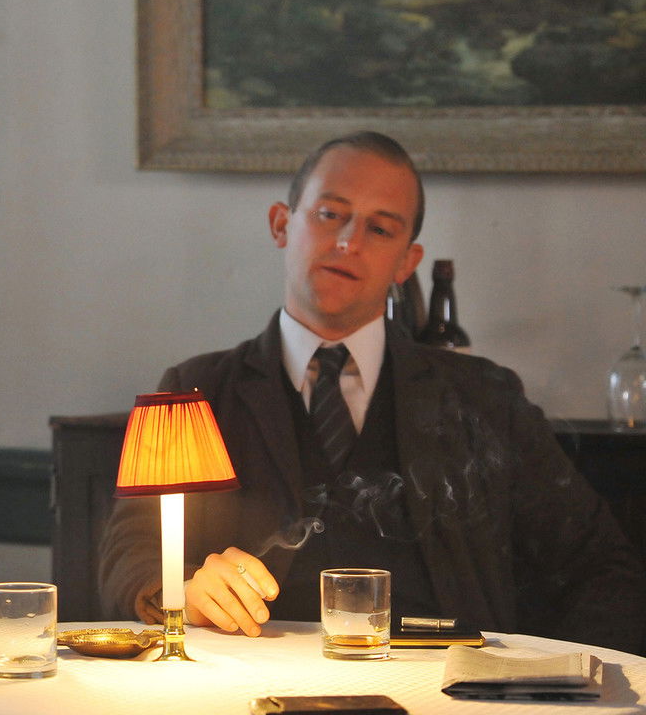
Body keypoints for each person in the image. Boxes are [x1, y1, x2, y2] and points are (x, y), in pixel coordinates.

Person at [98, 131, 646, 653]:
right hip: (246, 679)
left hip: (450, 685)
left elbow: (599, 565)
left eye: (380, 229)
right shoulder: (199, 391)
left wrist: (561, 679)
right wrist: (181, 588)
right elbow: (129, 552)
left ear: (407, 262)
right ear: (281, 223)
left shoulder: (485, 398)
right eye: (330, 214)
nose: (348, 242)